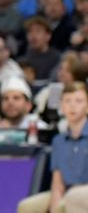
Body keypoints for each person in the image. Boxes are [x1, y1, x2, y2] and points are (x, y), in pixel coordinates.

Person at [18, 82, 88, 212]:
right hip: (66, 192)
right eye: (67, 101)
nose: (72, 106)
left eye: (79, 101)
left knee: (74, 197)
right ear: (61, 105)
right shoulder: (58, 141)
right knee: (27, 206)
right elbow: (57, 184)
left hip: (83, 193)